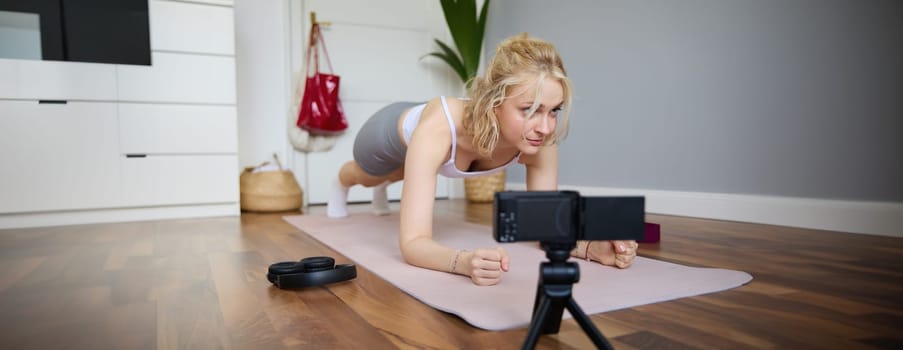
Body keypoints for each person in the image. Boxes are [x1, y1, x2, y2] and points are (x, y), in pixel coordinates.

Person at [327, 33, 638, 286]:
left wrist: (591, 248)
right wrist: (461, 262)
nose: (544, 127)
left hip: (422, 140)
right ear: (494, 102)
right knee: (369, 176)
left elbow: (545, 227)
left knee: (401, 173)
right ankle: (340, 183)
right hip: (388, 130)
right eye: (529, 110)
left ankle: (388, 181)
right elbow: (413, 243)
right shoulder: (439, 129)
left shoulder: (541, 141)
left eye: (553, 110)